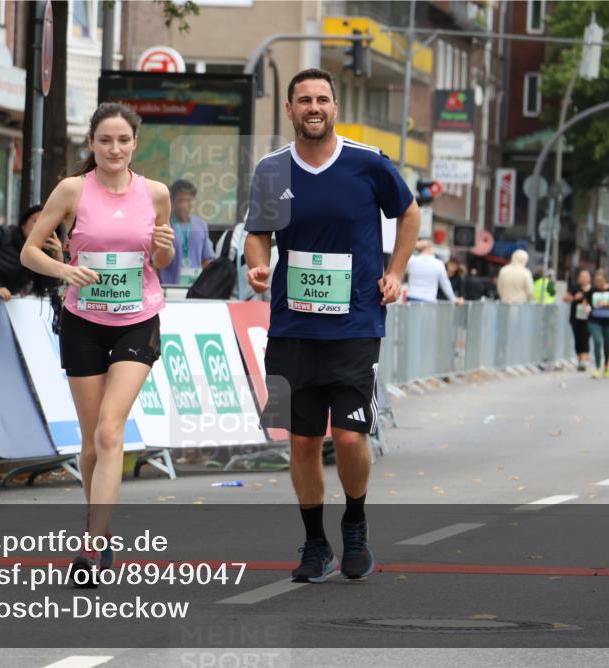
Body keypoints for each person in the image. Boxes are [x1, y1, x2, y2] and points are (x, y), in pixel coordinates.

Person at [244, 69, 420, 583]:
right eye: (304, 100)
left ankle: (356, 521)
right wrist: (258, 265)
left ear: (335, 107)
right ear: (290, 110)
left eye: (322, 99)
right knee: (300, 442)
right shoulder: (273, 171)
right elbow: (259, 235)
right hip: (292, 328)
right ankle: (316, 543)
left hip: (356, 322)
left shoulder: (367, 164)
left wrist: (394, 273)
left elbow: (409, 215)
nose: (313, 107)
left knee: (347, 437)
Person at [21, 102, 175, 582]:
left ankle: (92, 547)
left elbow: (163, 260)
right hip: (84, 319)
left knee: (111, 430)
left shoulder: (156, 193)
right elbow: (29, 251)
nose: (114, 148)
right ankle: (99, 532)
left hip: (138, 318)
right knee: (91, 442)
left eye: (123, 140)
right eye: (105, 140)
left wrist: (165, 250)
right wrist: (65, 269)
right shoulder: (72, 190)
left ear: (135, 143)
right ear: (91, 143)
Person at [0, 205, 62, 300]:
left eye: (47, 225)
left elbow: (48, 289)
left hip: (5, 305)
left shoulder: (41, 253)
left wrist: (57, 258)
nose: (40, 228)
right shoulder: (3, 234)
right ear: (23, 224)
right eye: (36, 221)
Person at [158, 179, 216, 286]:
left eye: (189, 200)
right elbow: (156, 262)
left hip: (196, 288)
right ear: (172, 201)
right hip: (169, 287)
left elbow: (206, 259)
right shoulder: (164, 225)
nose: (185, 205)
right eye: (181, 200)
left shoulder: (201, 224)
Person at [585, 270, 609, 378]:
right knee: (597, 341)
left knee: (607, 344)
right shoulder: (592, 291)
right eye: (596, 281)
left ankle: (606, 366)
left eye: (601, 281)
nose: (599, 283)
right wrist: (585, 309)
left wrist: (607, 304)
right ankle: (597, 367)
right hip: (595, 320)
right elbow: (585, 302)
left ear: (605, 280)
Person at [406, 240, 462, 304]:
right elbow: (445, 284)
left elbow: (405, 252)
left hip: (412, 297)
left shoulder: (411, 261)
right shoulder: (438, 264)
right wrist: (453, 299)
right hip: (429, 299)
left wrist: (414, 245)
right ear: (430, 248)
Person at [563, 268, 593, 372]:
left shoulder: (592, 289)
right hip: (576, 318)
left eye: (586, 277)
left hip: (589, 319)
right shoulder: (575, 287)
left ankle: (584, 360)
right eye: (582, 277)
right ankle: (580, 359)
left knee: (585, 338)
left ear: (589, 278)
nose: (584, 279)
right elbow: (565, 298)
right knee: (578, 340)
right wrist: (574, 298)